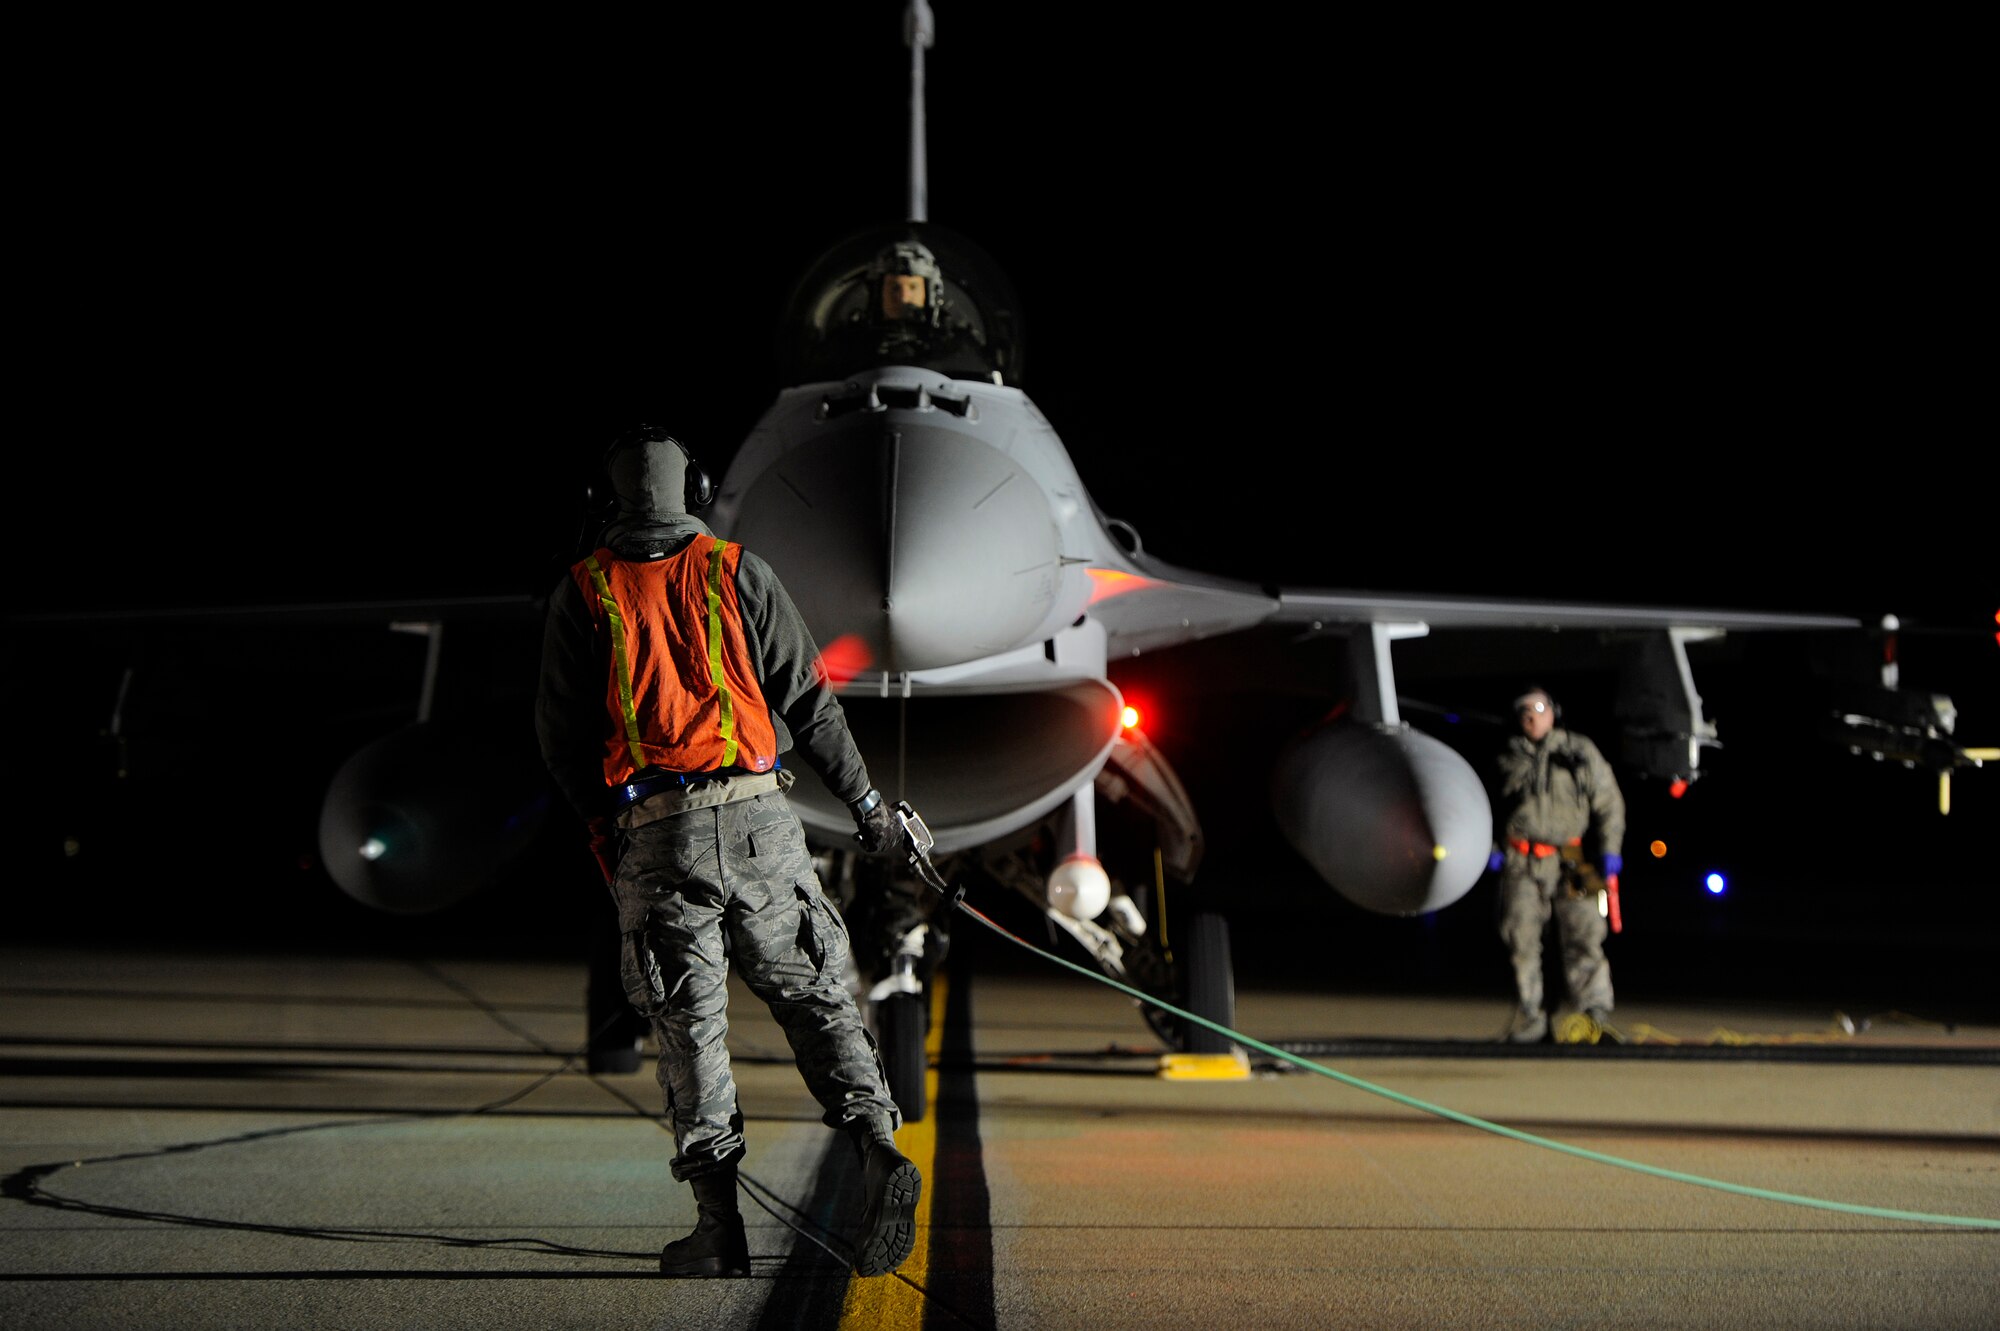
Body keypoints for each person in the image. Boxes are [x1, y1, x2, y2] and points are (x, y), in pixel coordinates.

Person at [536, 424, 924, 1279]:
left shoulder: (583, 591)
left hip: (657, 832)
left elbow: (560, 741)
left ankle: (718, 1230)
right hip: (760, 821)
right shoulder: (737, 570)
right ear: (696, 492)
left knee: (690, 1032)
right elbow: (810, 700)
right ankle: (874, 1145)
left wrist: (607, 828)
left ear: (606, 504)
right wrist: (867, 808)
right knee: (816, 994)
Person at [1487, 686, 1626, 1044]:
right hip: (1520, 859)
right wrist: (1489, 847)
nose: (1532, 717)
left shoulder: (1579, 752)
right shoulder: (1506, 756)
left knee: (1586, 935)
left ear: (1553, 711)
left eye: (1538, 708)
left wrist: (1610, 849)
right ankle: (1532, 1016)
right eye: (1524, 711)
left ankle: (1592, 1016)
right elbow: (1484, 806)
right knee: (1521, 938)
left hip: (1571, 860)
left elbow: (1609, 801)